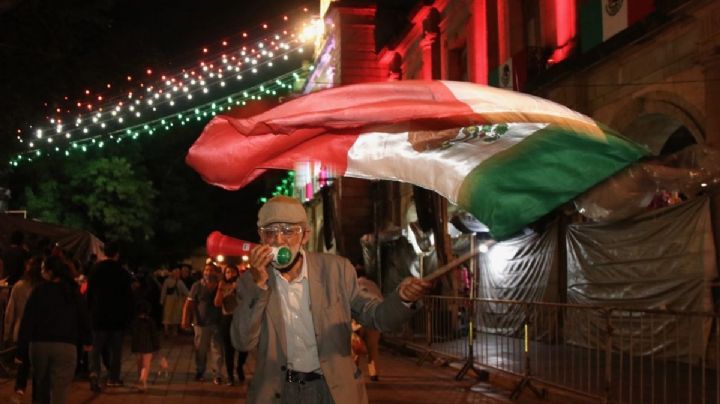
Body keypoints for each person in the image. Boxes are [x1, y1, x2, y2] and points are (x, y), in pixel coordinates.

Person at [231, 195, 431, 404]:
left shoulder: (337, 270)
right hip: (279, 393)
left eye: (289, 231)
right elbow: (242, 341)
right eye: (270, 232)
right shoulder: (250, 282)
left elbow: (375, 316)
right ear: (261, 238)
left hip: (333, 391)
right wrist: (259, 286)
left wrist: (402, 299)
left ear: (305, 235)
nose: (279, 240)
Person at [16, 255, 92, 404]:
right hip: (66, 345)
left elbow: (28, 321)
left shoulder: (39, 291)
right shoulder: (72, 292)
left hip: (39, 345)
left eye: (44, 269)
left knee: (41, 388)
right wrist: (87, 339)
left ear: (50, 272)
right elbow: (84, 317)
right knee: (60, 390)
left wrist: (21, 348)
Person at [86, 242, 133, 392]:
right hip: (117, 318)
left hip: (98, 315)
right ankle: (113, 378)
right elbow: (128, 297)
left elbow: (89, 293)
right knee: (116, 350)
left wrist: (90, 311)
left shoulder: (95, 269)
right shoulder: (122, 272)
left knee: (96, 349)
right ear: (117, 254)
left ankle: (94, 373)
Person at [3, 255, 43, 397]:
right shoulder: (43, 288)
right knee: (39, 364)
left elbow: (10, 312)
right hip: (40, 331)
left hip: (21, 329)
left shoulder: (19, 287)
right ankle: (37, 392)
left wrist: (6, 334)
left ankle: (20, 387)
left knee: (23, 360)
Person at [181, 263, 224, 384]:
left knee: (217, 349)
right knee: (200, 349)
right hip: (201, 322)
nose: (208, 272)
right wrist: (185, 319)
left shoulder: (220, 285)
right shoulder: (197, 285)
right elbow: (188, 303)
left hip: (217, 321)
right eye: (206, 270)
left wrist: (221, 285)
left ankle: (217, 373)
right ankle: (200, 371)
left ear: (216, 272)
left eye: (211, 270)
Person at [214, 262, 248, 385]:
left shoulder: (242, 285)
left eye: (233, 272)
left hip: (241, 319)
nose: (230, 274)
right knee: (229, 349)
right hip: (227, 319)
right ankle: (230, 376)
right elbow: (217, 303)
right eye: (227, 272)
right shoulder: (222, 285)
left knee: (244, 347)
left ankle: (239, 367)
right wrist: (221, 288)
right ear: (224, 274)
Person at [353, 265, 383, 382]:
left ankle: (354, 374)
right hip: (373, 320)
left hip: (358, 320)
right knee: (373, 348)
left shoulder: (354, 285)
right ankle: (374, 374)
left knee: (354, 350)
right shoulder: (373, 285)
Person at [130, 300, 160, 392]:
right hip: (148, 346)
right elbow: (154, 335)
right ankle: (142, 380)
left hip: (136, 346)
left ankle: (141, 382)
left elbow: (132, 334)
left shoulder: (134, 321)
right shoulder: (150, 321)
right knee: (145, 365)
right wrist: (157, 347)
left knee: (139, 365)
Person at [160, 265, 188, 337]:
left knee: (167, 315)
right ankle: (174, 332)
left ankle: (166, 331)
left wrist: (162, 300)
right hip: (177, 300)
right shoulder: (180, 282)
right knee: (176, 315)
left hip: (168, 300)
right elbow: (186, 292)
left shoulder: (167, 281)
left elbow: (164, 291)